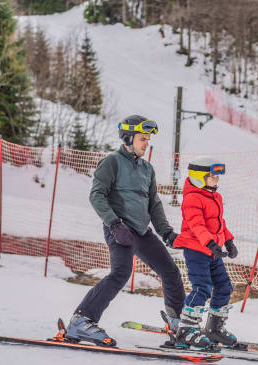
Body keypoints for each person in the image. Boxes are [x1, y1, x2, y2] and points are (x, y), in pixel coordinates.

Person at [65, 115, 185, 346]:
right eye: (142, 138)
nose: (146, 142)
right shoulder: (111, 162)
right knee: (120, 273)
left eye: (148, 138)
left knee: (170, 272)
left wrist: (167, 232)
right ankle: (82, 320)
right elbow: (96, 195)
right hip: (120, 228)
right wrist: (114, 223)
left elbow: (154, 204)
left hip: (142, 231)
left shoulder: (146, 168)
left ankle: (178, 324)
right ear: (128, 138)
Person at [171, 156, 239, 349]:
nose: (216, 181)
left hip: (212, 251)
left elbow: (219, 223)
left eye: (217, 177)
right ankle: (185, 330)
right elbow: (196, 225)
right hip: (196, 250)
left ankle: (214, 328)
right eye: (212, 177)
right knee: (202, 288)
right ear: (199, 177)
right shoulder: (192, 198)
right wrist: (210, 242)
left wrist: (228, 240)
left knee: (224, 286)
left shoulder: (215, 197)